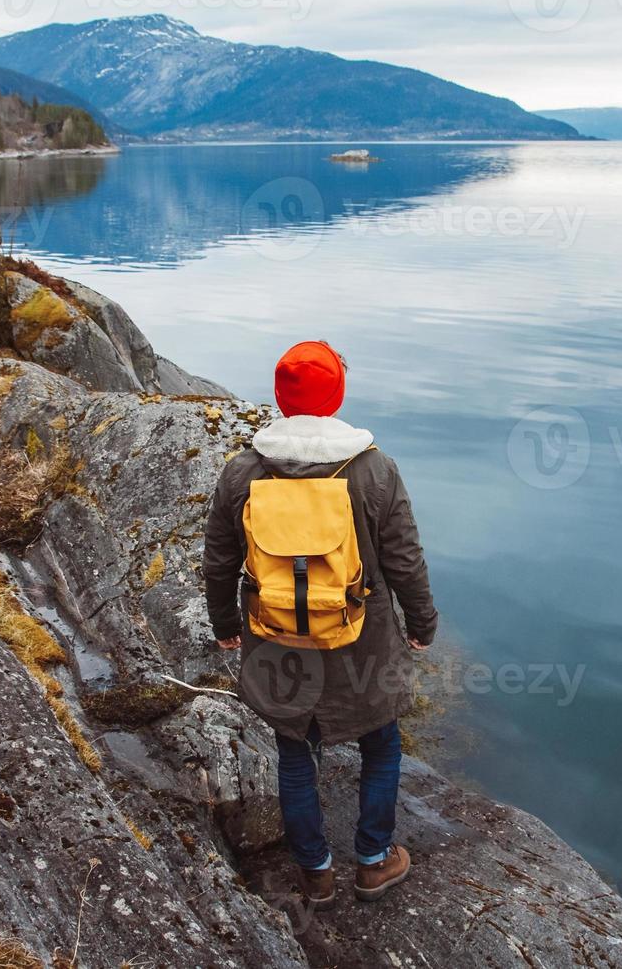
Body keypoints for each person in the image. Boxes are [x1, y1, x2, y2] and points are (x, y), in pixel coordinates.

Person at [203, 340, 439, 908]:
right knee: (381, 741)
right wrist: (422, 623)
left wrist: (225, 622)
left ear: (282, 401)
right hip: (362, 637)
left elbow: (219, 560)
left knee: (293, 748)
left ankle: (316, 873)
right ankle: (373, 861)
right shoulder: (374, 469)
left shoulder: (244, 470)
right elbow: (404, 559)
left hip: (275, 636)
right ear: (336, 397)